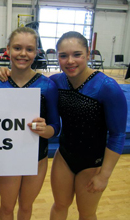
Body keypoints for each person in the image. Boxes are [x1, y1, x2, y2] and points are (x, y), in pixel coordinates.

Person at [49, 31, 127, 220]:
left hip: (93, 163)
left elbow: (117, 134)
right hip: (64, 157)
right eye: (63, 55)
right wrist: (4, 72)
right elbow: (27, 84)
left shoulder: (107, 87)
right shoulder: (56, 82)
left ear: (88, 54)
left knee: (86, 213)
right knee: (59, 205)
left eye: (77, 54)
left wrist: (104, 175)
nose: (70, 61)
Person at [0, 27, 60, 220]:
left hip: (36, 157)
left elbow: (56, 127)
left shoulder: (47, 86)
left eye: (29, 49)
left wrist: (45, 130)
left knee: (26, 207)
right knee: (6, 208)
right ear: (8, 50)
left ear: (36, 52)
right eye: (17, 48)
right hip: (7, 156)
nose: (23, 54)